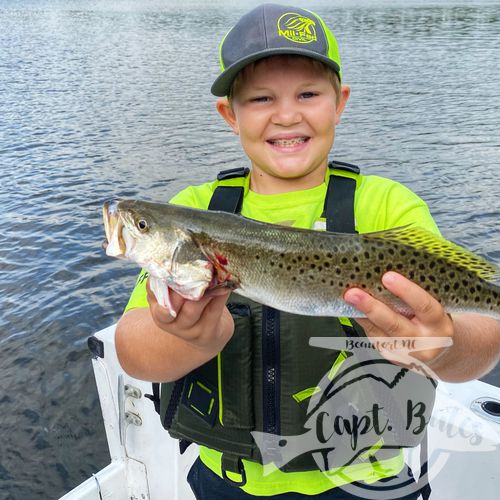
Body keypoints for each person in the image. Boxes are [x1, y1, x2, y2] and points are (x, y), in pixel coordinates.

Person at [115, 3, 500, 499]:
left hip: (368, 481)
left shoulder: (389, 206)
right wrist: (184, 336)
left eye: (308, 93)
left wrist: (444, 345)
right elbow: (133, 350)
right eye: (260, 98)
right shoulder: (192, 208)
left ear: (339, 102)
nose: (287, 114)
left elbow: (483, 340)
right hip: (229, 480)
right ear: (229, 114)